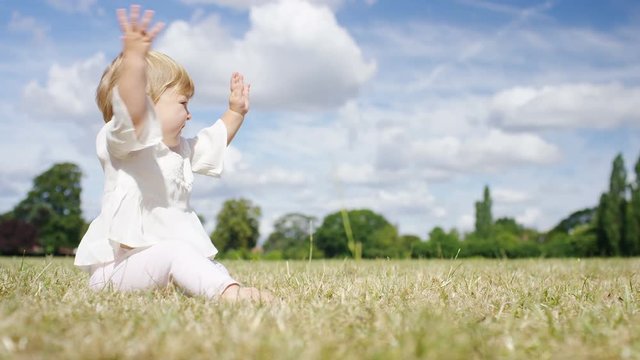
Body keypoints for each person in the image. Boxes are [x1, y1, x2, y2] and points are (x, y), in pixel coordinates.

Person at [74, 4, 272, 302]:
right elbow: (131, 109)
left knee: (202, 263)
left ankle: (222, 285)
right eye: (183, 104)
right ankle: (230, 295)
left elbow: (212, 141)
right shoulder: (124, 142)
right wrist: (134, 64)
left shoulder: (178, 150)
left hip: (155, 265)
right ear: (149, 103)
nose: (190, 114)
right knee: (177, 253)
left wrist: (235, 112)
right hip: (116, 271)